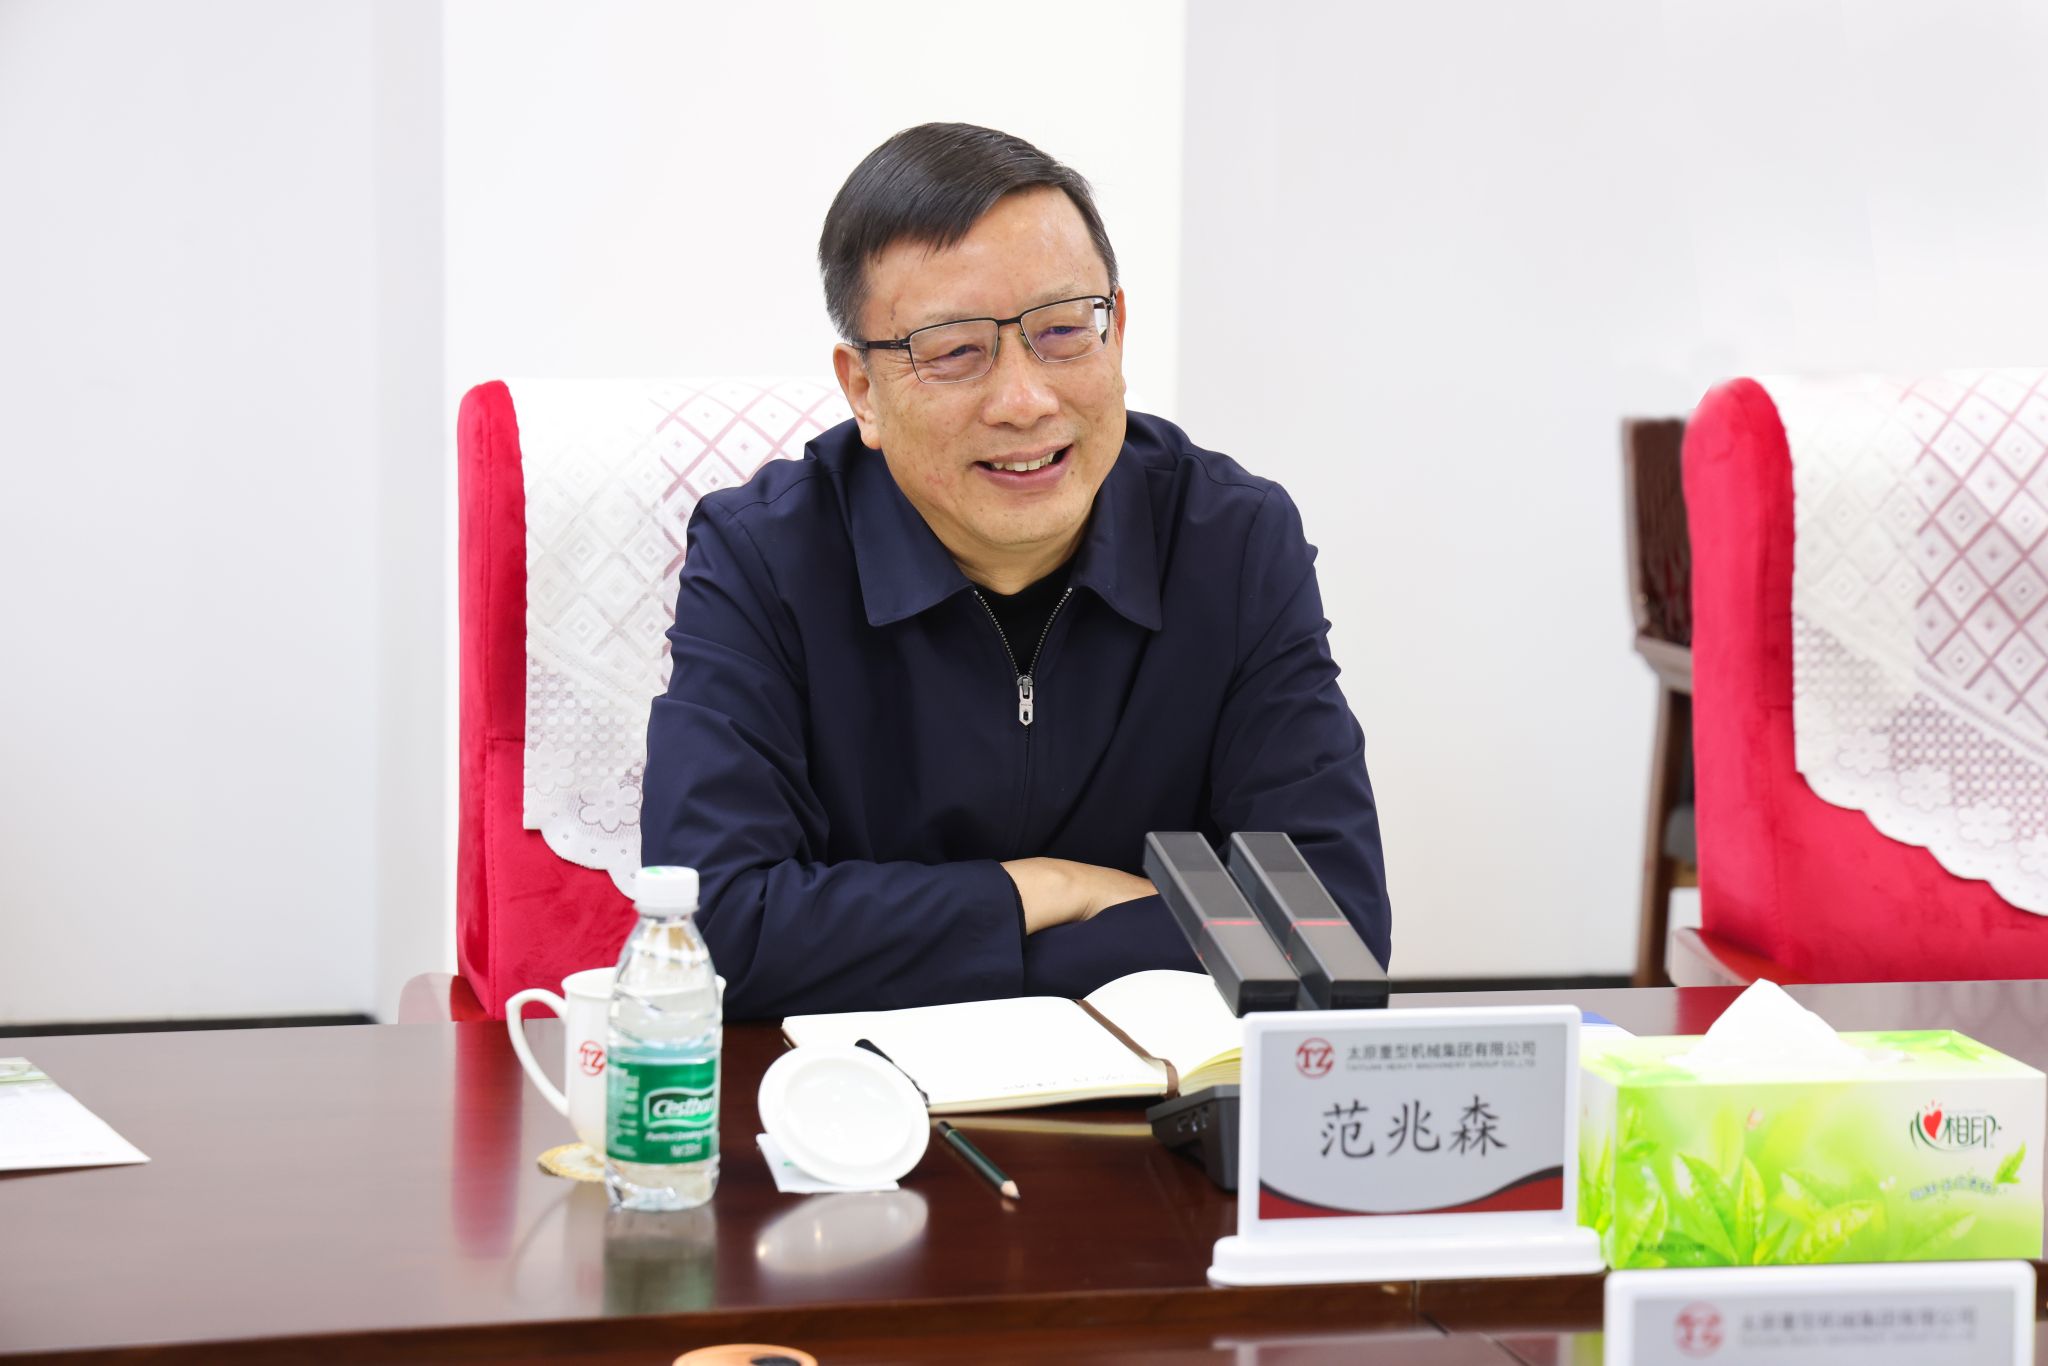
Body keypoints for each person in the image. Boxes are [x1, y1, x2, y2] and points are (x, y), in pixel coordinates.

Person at [642, 123, 1388, 1019]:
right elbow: (714, 932)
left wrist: (908, 947)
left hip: (1151, 1093)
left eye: (1063, 331)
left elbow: (1330, 930)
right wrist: (1050, 888)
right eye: (955, 350)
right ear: (863, 390)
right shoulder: (763, 557)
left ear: (1118, 333)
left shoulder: (1231, 541)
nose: (1026, 401)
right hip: (854, 1097)